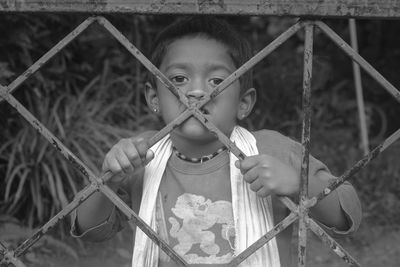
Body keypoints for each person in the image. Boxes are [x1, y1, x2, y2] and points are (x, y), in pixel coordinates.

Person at [71, 16, 361, 267]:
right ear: (153, 98)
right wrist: (107, 180)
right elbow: (89, 229)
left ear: (244, 103)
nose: (197, 92)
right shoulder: (139, 155)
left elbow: (348, 216)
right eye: (180, 78)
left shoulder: (271, 150)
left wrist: (301, 184)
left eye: (216, 81)